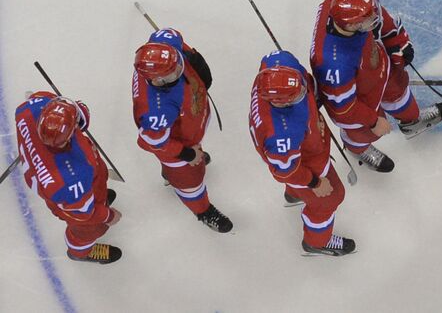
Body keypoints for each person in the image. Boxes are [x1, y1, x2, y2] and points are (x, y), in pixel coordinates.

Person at [310, 0, 442, 174]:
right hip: (359, 98)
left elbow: (379, 16)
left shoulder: (346, 2)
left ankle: (411, 122)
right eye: (369, 21)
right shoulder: (332, 65)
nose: (374, 21)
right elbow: (344, 110)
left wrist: (398, 43)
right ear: (351, 26)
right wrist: (373, 121)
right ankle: (357, 149)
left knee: (401, 96)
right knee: (361, 133)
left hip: (378, 67)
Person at [249, 50, 354, 256]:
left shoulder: (280, 63)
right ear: (280, 102)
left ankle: (294, 194)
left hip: (302, 147)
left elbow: (305, 81)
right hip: (304, 163)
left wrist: (313, 106)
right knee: (330, 198)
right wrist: (314, 182)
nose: (303, 93)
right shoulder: (281, 134)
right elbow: (286, 171)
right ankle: (317, 242)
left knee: (307, 184)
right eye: (297, 96)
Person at [131, 28, 232, 233]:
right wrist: (186, 154)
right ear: (156, 81)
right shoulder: (156, 110)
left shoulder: (164, 47)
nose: (179, 70)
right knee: (190, 181)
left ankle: (169, 172)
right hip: (177, 147)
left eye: (178, 65)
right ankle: (203, 210)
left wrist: (193, 57)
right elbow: (150, 141)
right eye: (172, 74)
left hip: (186, 124)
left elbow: (173, 36)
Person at [13, 92, 121, 264]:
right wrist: (107, 215)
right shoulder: (71, 180)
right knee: (88, 230)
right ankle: (80, 252)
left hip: (77, 190)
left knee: (93, 193)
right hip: (74, 203)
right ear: (66, 139)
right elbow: (84, 215)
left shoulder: (27, 110)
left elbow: (45, 99)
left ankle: (97, 200)